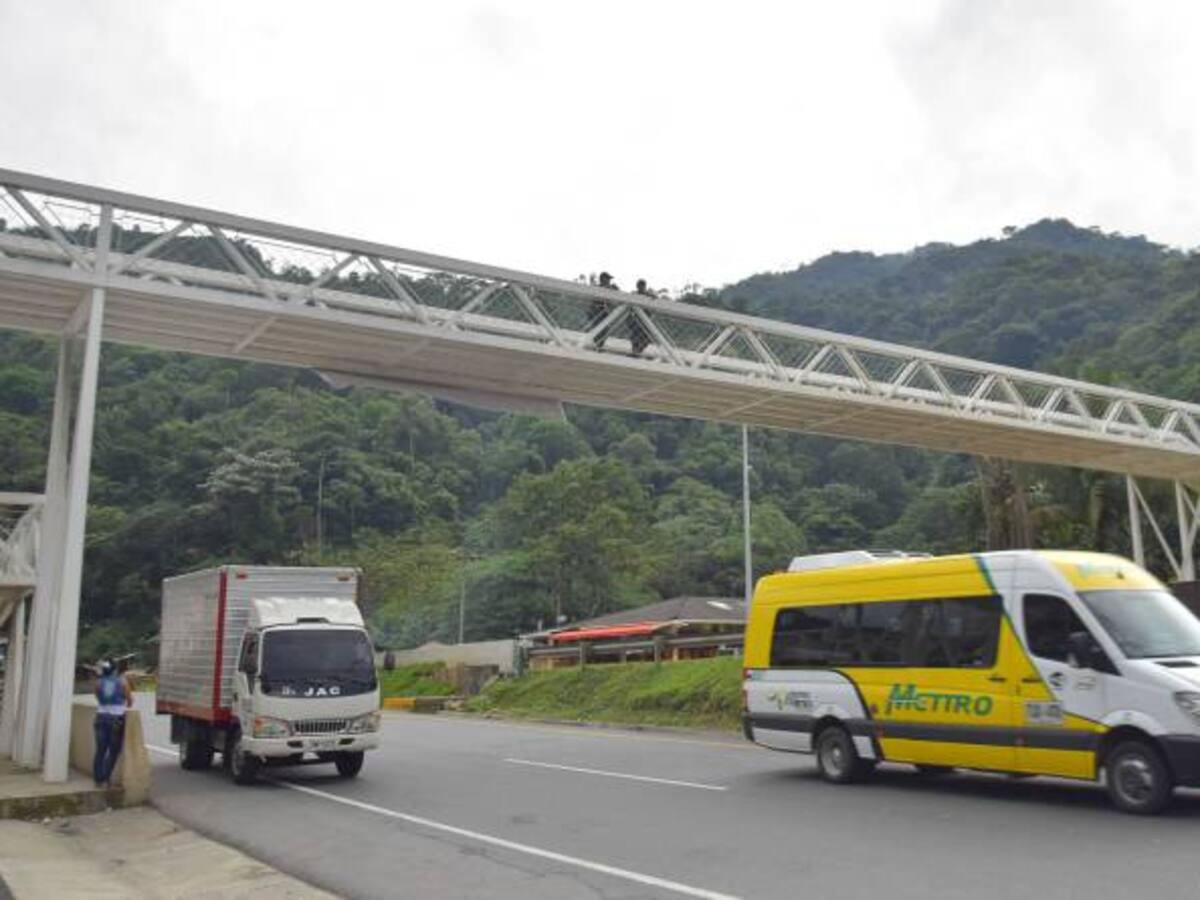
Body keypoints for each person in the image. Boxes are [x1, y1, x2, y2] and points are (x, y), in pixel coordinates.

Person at [93, 659, 133, 787]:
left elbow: (98, 697)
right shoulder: (122, 682)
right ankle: (105, 778)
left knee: (100, 750)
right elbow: (130, 701)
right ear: (115, 670)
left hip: (101, 717)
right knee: (113, 750)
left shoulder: (98, 683)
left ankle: (98, 779)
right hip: (116, 719)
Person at [589, 271, 619, 349]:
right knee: (597, 329)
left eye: (609, 279)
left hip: (606, 313)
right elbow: (594, 301)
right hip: (597, 312)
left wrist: (615, 289)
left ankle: (600, 345)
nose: (609, 281)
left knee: (606, 330)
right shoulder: (597, 287)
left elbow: (616, 296)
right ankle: (597, 344)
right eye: (608, 279)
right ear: (602, 279)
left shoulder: (611, 288)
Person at [630, 278, 653, 356]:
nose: (642, 287)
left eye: (643, 286)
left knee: (648, 338)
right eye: (640, 285)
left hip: (646, 321)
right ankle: (635, 351)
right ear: (637, 286)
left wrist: (652, 295)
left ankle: (638, 351)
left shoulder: (648, 295)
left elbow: (655, 298)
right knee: (635, 337)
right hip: (636, 319)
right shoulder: (634, 294)